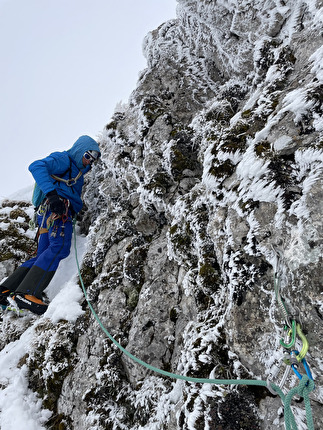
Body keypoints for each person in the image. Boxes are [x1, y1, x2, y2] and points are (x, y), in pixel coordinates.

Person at [0, 135, 101, 315]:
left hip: (48, 214)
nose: (89, 162)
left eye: (92, 159)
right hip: (58, 210)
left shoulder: (77, 174)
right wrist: (53, 195)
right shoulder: (64, 159)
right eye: (88, 156)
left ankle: (6, 290)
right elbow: (36, 166)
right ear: (79, 151)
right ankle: (27, 292)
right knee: (60, 247)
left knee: (43, 254)